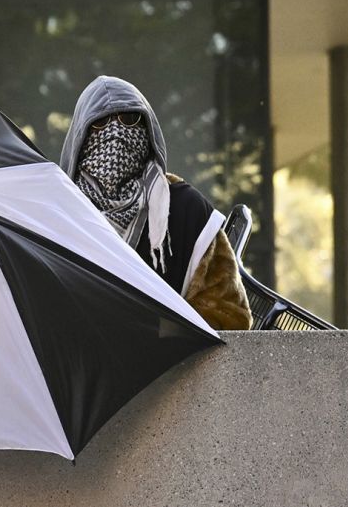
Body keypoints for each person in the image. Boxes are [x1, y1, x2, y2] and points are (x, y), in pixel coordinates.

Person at [60, 76, 252, 330]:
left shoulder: (187, 210)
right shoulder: (59, 213)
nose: (116, 133)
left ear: (147, 131)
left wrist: (156, 331)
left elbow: (231, 316)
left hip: (171, 366)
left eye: (130, 119)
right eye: (101, 122)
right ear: (81, 137)